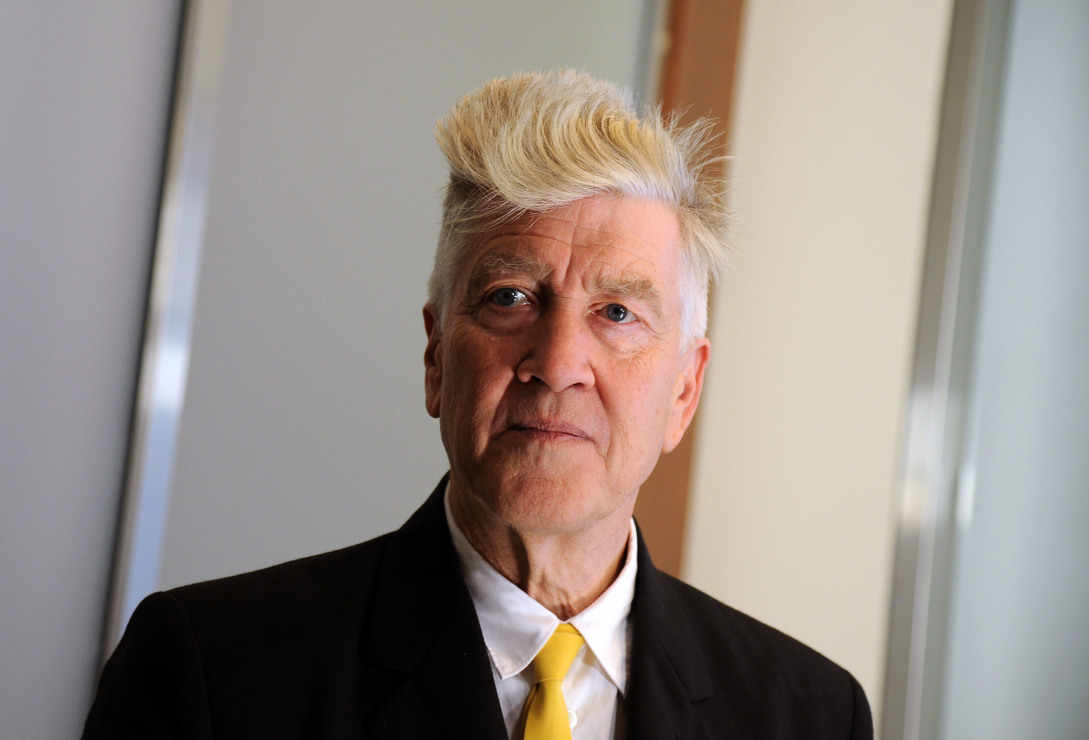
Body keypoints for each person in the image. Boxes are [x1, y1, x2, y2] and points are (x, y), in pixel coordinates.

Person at [84, 70, 872, 739]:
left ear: (684, 390)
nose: (557, 364)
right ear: (436, 357)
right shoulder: (213, 671)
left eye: (616, 313)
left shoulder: (809, 714)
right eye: (510, 297)